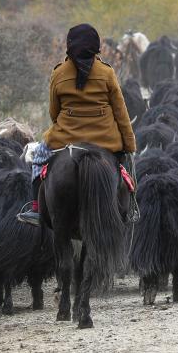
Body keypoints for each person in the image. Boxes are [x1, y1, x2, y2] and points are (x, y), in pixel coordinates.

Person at [17, 23, 138, 226]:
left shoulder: (59, 73)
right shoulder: (107, 73)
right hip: (105, 138)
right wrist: (129, 145)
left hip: (66, 136)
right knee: (128, 166)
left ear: (70, 46)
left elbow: (54, 112)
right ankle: (131, 207)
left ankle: (36, 208)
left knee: (37, 159)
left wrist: (66, 125)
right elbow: (121, 113)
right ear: (96, 47)